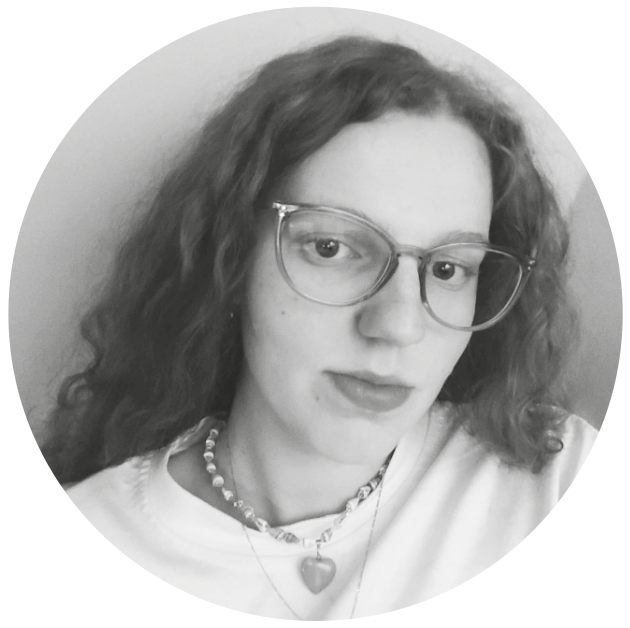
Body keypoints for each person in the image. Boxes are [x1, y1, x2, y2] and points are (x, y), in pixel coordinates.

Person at [42, 36, 598, 620]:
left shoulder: (555, 478)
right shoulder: (104, 528)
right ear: (231, 260)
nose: (399, 325)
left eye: (447, 269)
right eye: (331, 247)